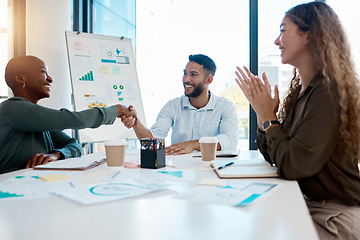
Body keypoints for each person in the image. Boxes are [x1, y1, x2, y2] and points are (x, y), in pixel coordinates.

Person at [235, 2, 360, 239]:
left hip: (335, 217)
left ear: (309, 35)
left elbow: (294, 165)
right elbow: (277, 156)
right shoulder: (302, 93)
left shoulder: (328, 92)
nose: (276, 40)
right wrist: (263, 116)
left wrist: (271, 119)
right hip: (310, 206)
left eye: (283, 30)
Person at [0, 55, 135, 174]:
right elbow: (71, 120)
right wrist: (114, 110)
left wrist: (57, 155)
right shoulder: (13, 108)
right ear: (20, 78)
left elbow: (73, 145)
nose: (50, 79)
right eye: (43, 72)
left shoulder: (35, 120)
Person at [121, 54, 238, 155]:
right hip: (179, 170)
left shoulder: (225, 107)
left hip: (212, 168)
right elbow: (153, 139)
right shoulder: (172, 106)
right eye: (185, 73)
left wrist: (193, 144)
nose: (186, 79)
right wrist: (136, 123)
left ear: (208, 80)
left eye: (193, 74)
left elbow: (229, 139)